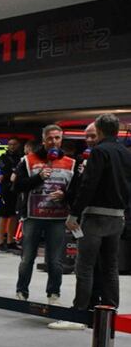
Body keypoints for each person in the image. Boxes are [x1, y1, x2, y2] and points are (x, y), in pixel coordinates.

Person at [51, 114, 131, 330]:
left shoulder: (99, 152)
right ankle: (110, 309)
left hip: (95, 216)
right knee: (110, 266)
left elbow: (89, 184)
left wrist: (74, 213)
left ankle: (80, 312)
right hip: (117, 216)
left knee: (84, 266)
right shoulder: (126, 153)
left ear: (101, 130)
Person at [11, 125, 74, 304]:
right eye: (50, 138)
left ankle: (54, 294)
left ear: (61, 140)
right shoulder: (28, 160)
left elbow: (77, 191)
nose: (53, 141)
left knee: (55, 260)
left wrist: (65, 195)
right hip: (33, 217)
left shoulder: (71, 163)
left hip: (58, 218)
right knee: (27, 258)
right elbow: (16, 187)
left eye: (57, 138)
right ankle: (21, 292)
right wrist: (38, 178)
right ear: (44, 139)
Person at [0, 137, 24, 252]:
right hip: (6, 189)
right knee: (4, 215)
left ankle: (10, 241)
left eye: (14, 144)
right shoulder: (4, 157)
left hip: (16, 189)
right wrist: (14, 171)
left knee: (13, 215)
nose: (12, 146)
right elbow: (6, 171)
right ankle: (0, 242)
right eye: (10, 144)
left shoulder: (21, 158)